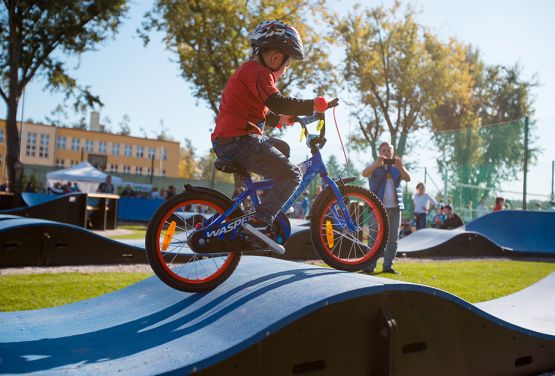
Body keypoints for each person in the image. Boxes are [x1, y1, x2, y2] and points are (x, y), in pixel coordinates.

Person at [211, 20, 333, 242]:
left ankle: (270, 200)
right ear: (277, 58)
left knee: (281, 147)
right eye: (287, 66)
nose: (285, 71)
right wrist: (313, 104)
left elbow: (259, 110)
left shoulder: (248, 72)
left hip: (232, 139)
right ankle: (260, 221)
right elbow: (278, 101)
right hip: (239, 141)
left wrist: (281, 120)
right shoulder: (258, 72)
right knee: (292, 174)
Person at [361, 141, 411, 274]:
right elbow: (364, 174)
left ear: (392, 152)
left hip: (395, 208)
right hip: (377, 208)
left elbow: (408, 178)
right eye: (384, 150)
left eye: (389, 150)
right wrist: (376, 164)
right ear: (379, 152)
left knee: (393, 239)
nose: (386, 152)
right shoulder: (374, 165)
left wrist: (400, 167)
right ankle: (369, 266)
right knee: (374, 238)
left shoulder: (397, 166)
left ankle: (388, 266)